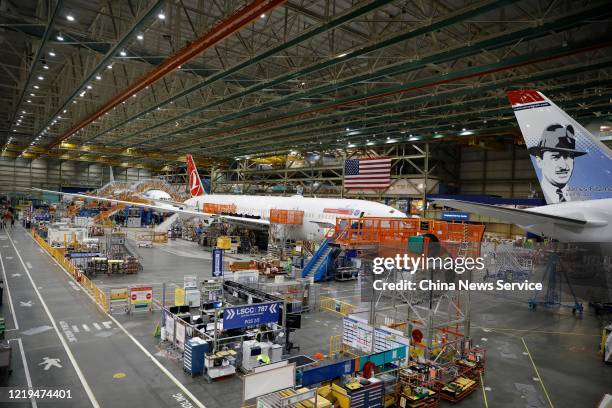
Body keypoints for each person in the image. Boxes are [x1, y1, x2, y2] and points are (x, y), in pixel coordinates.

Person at [528, 124, 587, 203]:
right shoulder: (537, 196)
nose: (563, 166)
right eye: (555, 157)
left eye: (568, 156)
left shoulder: (582, 199)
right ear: (539, 161)